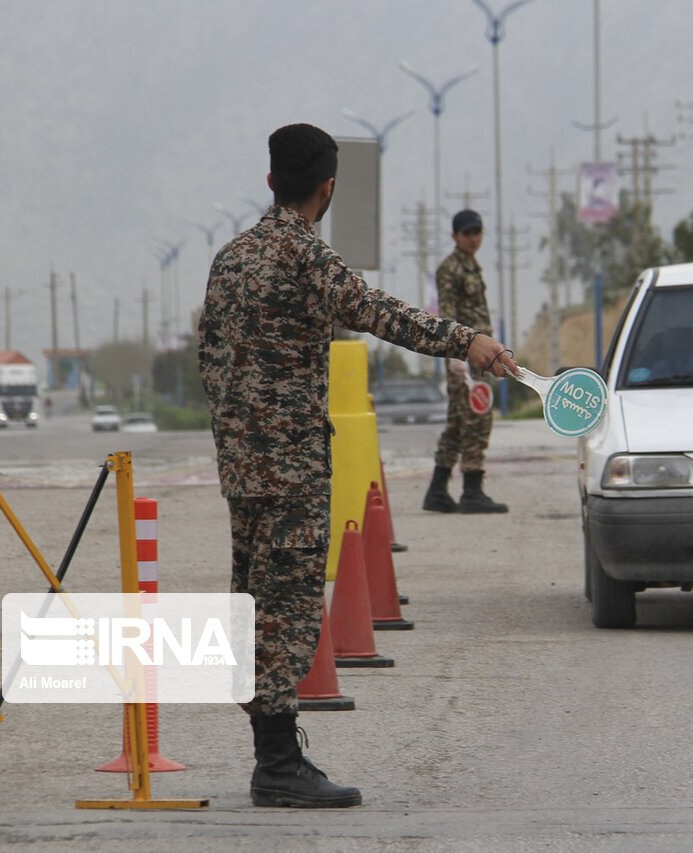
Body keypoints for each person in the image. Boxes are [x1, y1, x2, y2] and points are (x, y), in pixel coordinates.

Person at [198, 124, 517, 809]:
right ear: (328, 188)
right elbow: (383, 314)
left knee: (252, 602)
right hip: (291, 469)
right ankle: (278, 765)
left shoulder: (228, 260)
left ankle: (270, 750)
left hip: (242, 467)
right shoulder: (307, 257)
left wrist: (235, 436)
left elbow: (210, 359)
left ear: (271, 180)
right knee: (287, 607)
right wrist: (469, 342)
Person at [422, 209, 509, 514]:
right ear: (455, 236)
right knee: (477, 416)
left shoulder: (471, 266)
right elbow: (448, 314)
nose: (474, 238)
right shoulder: (451, 269)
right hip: (464, 358)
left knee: (459, 421)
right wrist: (457, 357)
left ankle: (437, 489)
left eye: (477, 232)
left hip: (479, 357)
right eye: (467, 233)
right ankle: (472, 489)